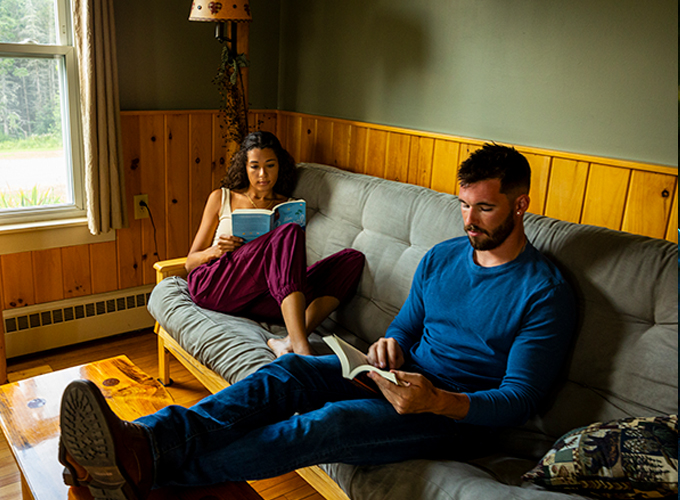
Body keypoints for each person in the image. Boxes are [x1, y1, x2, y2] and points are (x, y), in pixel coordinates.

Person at [58, 143, 576, 500]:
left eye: (484, 209)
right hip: (395, 378)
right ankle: (137, 440)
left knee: (323, 425)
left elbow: (519, 400)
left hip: (453, 418)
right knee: (285, 376)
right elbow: (407, 325)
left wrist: (438, 400)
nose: (469, 221)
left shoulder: (543, 292)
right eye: (463, 206)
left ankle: (143, 467)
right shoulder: (442, 257)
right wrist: (391, 344)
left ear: (520, 204)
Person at [184, 131, 365, 357]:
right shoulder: (222, 197)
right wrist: (215, 250)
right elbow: (190, 263)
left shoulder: (289, 206)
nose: (263, 174)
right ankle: (302, 347)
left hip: (264, 295)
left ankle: (289, 341)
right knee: (287, 232)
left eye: (270, 165)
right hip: (218, 285)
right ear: (244, 167)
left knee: (351, 260)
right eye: (254, 166)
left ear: (280, 166)